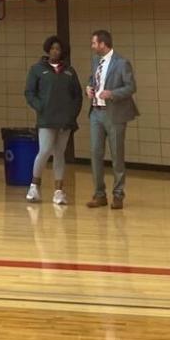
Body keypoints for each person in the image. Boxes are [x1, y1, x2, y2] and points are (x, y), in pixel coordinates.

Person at [23, 36, 82, 206]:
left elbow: (77, 96)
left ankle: (58, 191)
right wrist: (40, 106)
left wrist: (72, 114)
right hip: (46, 118)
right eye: (53, 48)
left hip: (65, 120)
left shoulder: (70, 71)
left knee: (59, 153)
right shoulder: (37, 69)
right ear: (48, 50)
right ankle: (34, 186)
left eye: (59, 49)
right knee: (45, 150)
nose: (56, 51)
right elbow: (29, 92)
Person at [85, 30, 139, 210]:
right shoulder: (95, 61)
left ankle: (118, 195)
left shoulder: (122, 63)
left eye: (94, 43)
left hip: (114, 114)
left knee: (117, 155)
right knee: (95, 153)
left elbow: (131, 87)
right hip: (96, 112)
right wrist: (88, 87)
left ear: (102, 44)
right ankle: (99, 194)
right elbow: (94, 78)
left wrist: (112, 93)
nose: (92, 47)